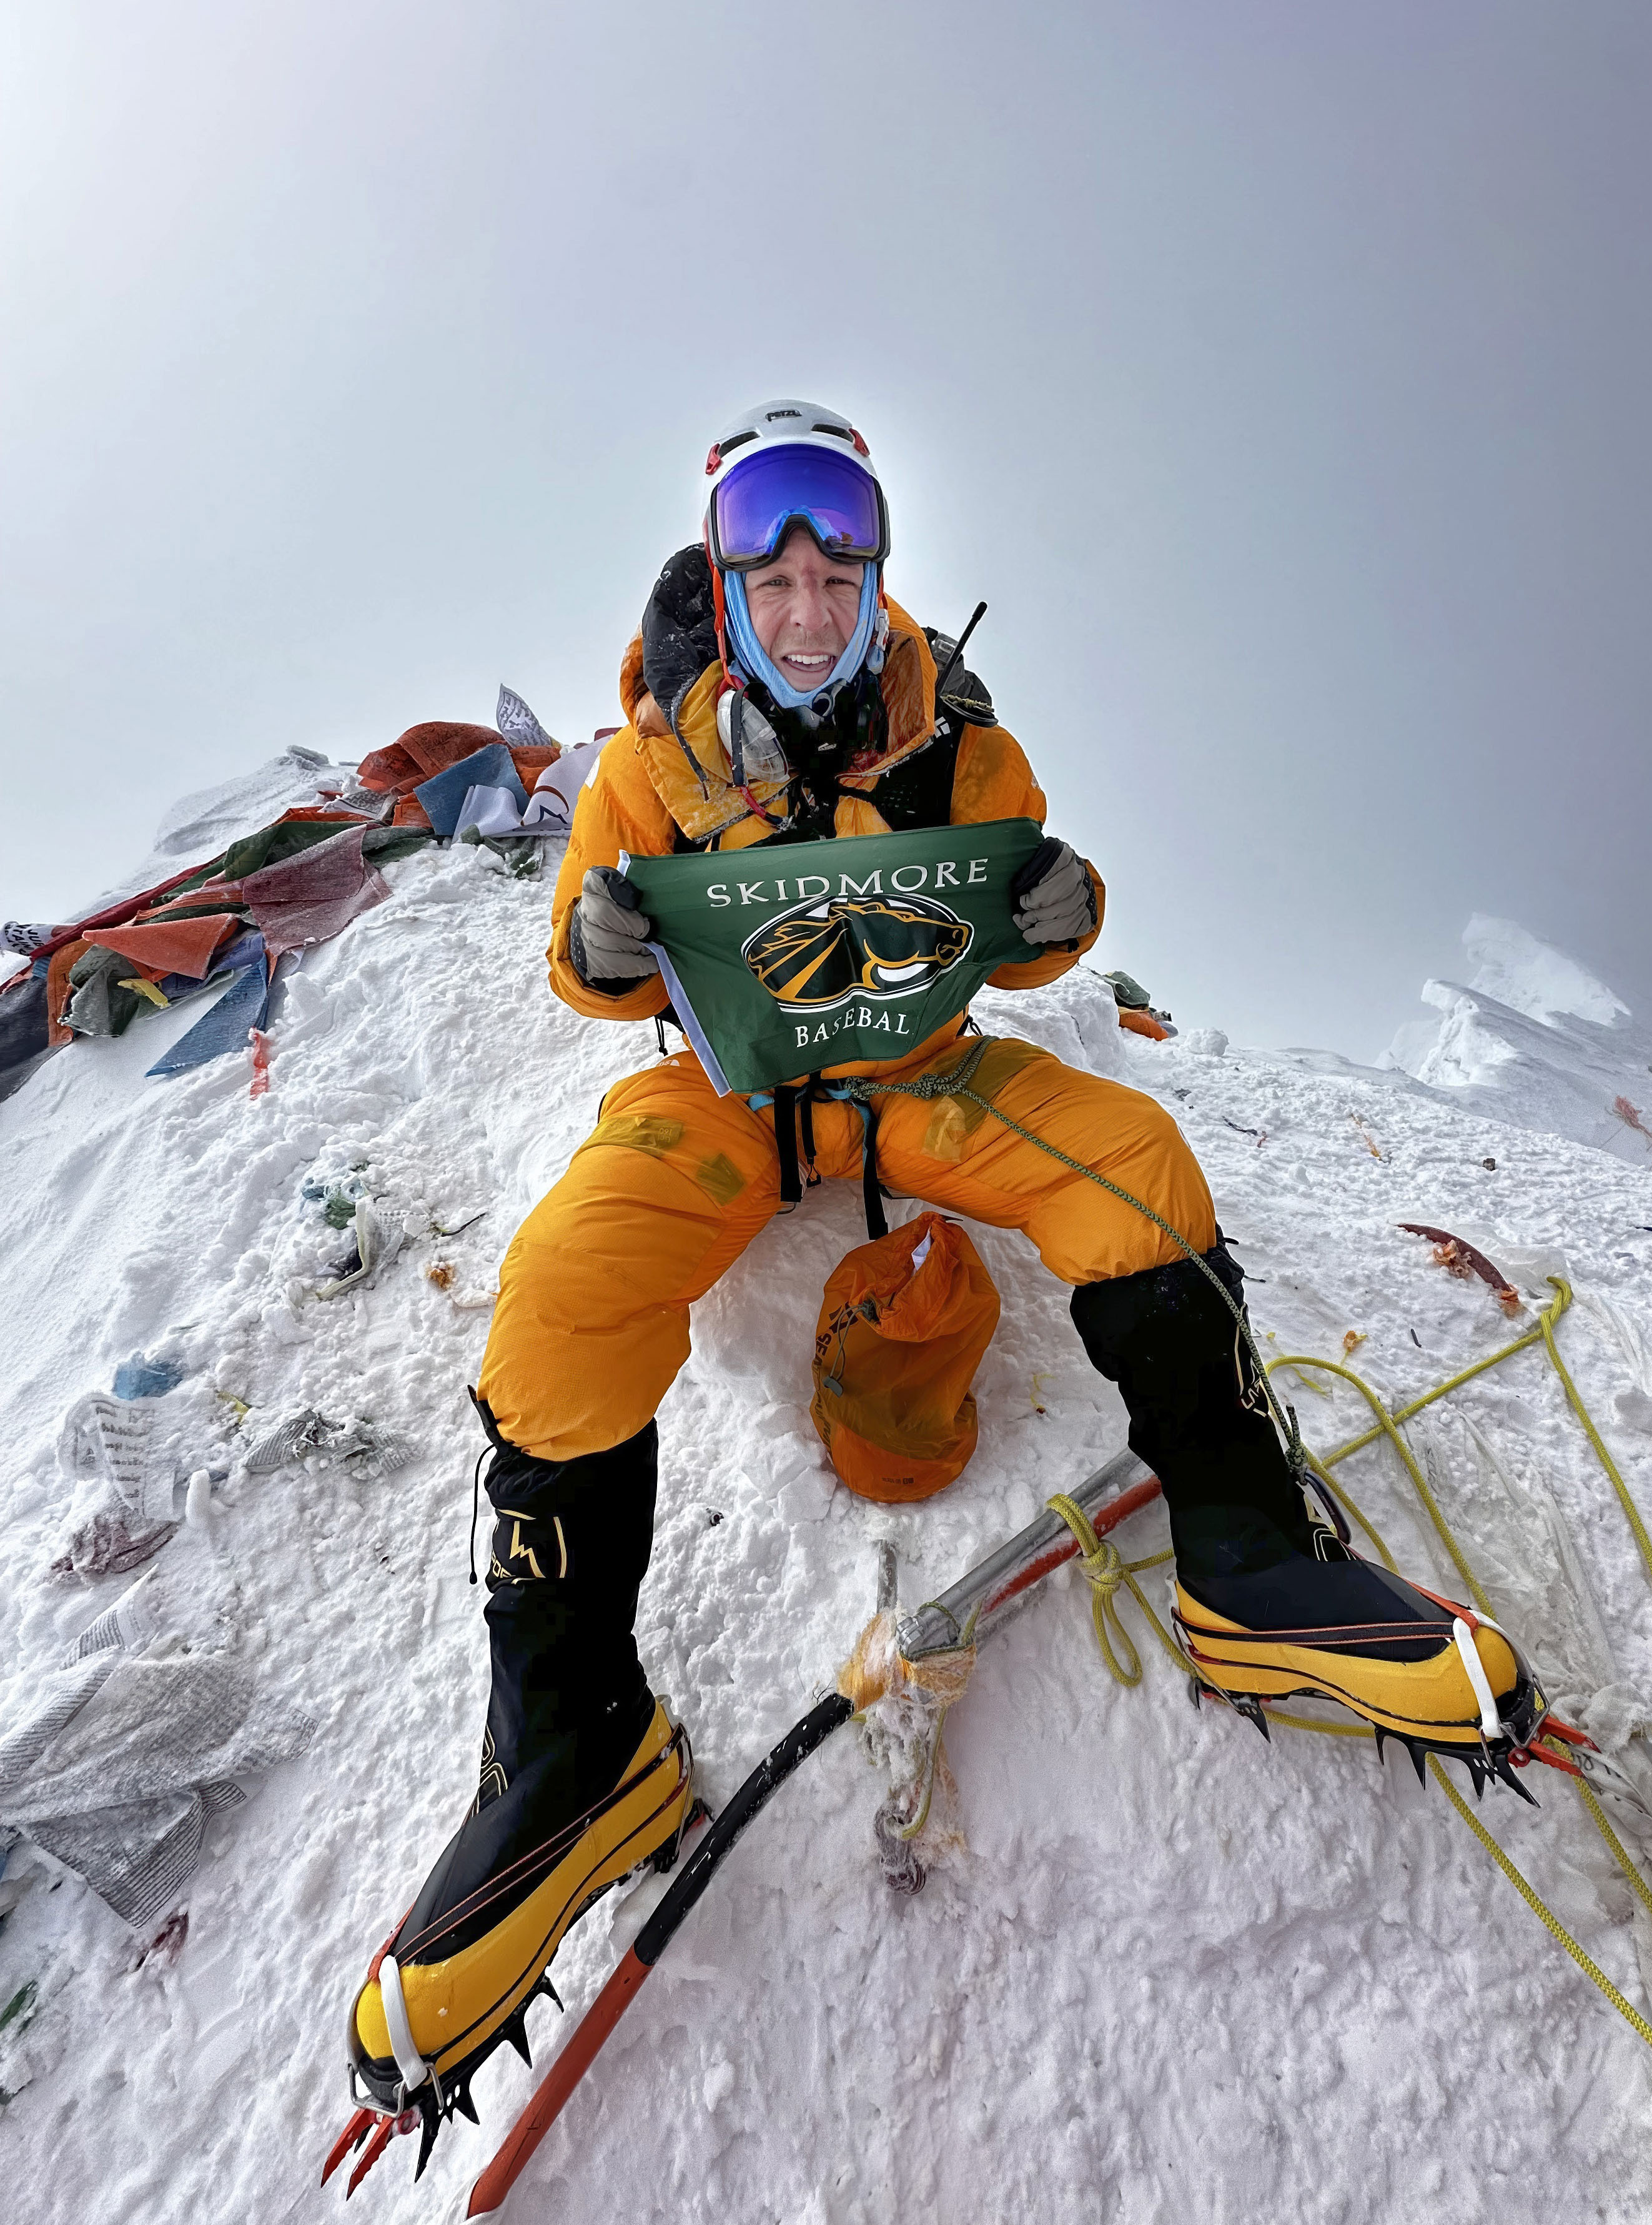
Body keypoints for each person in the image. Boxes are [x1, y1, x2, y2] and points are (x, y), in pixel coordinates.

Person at [344, 400, 1543, 2144]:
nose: (813, 596)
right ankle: (573, 1743)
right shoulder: (651, 755)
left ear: (877, 566)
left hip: (915, 1078)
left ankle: (1247, 1564)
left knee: (1133, 1166)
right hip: (732, 1100)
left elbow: (1027, 881)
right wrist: (601, 942)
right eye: (777, 560)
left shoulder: (951, 732)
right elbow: (587, 950)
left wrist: (1062, 904)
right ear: (729, 573)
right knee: (558, 1287)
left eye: (843, 557)